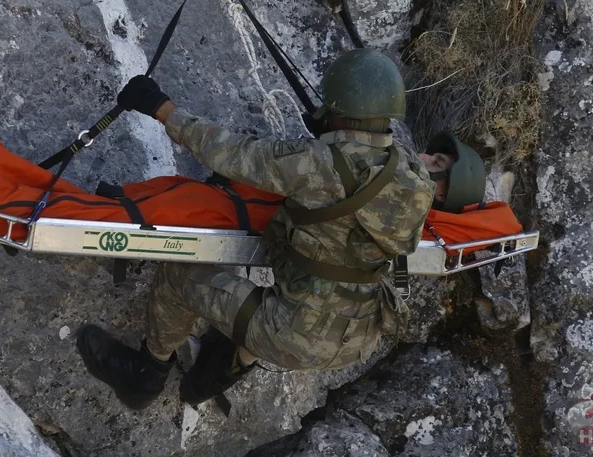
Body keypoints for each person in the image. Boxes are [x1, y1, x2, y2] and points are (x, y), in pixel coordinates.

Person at [76, 48, 486, 410]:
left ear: (338, 105)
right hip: (360, 338)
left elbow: (233, 153)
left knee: (178, 274)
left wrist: (162, 108)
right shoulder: (416, 178)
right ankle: (212, 376)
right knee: (287, 304)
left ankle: (144, 376)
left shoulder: (319, 163)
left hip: (295, 335)